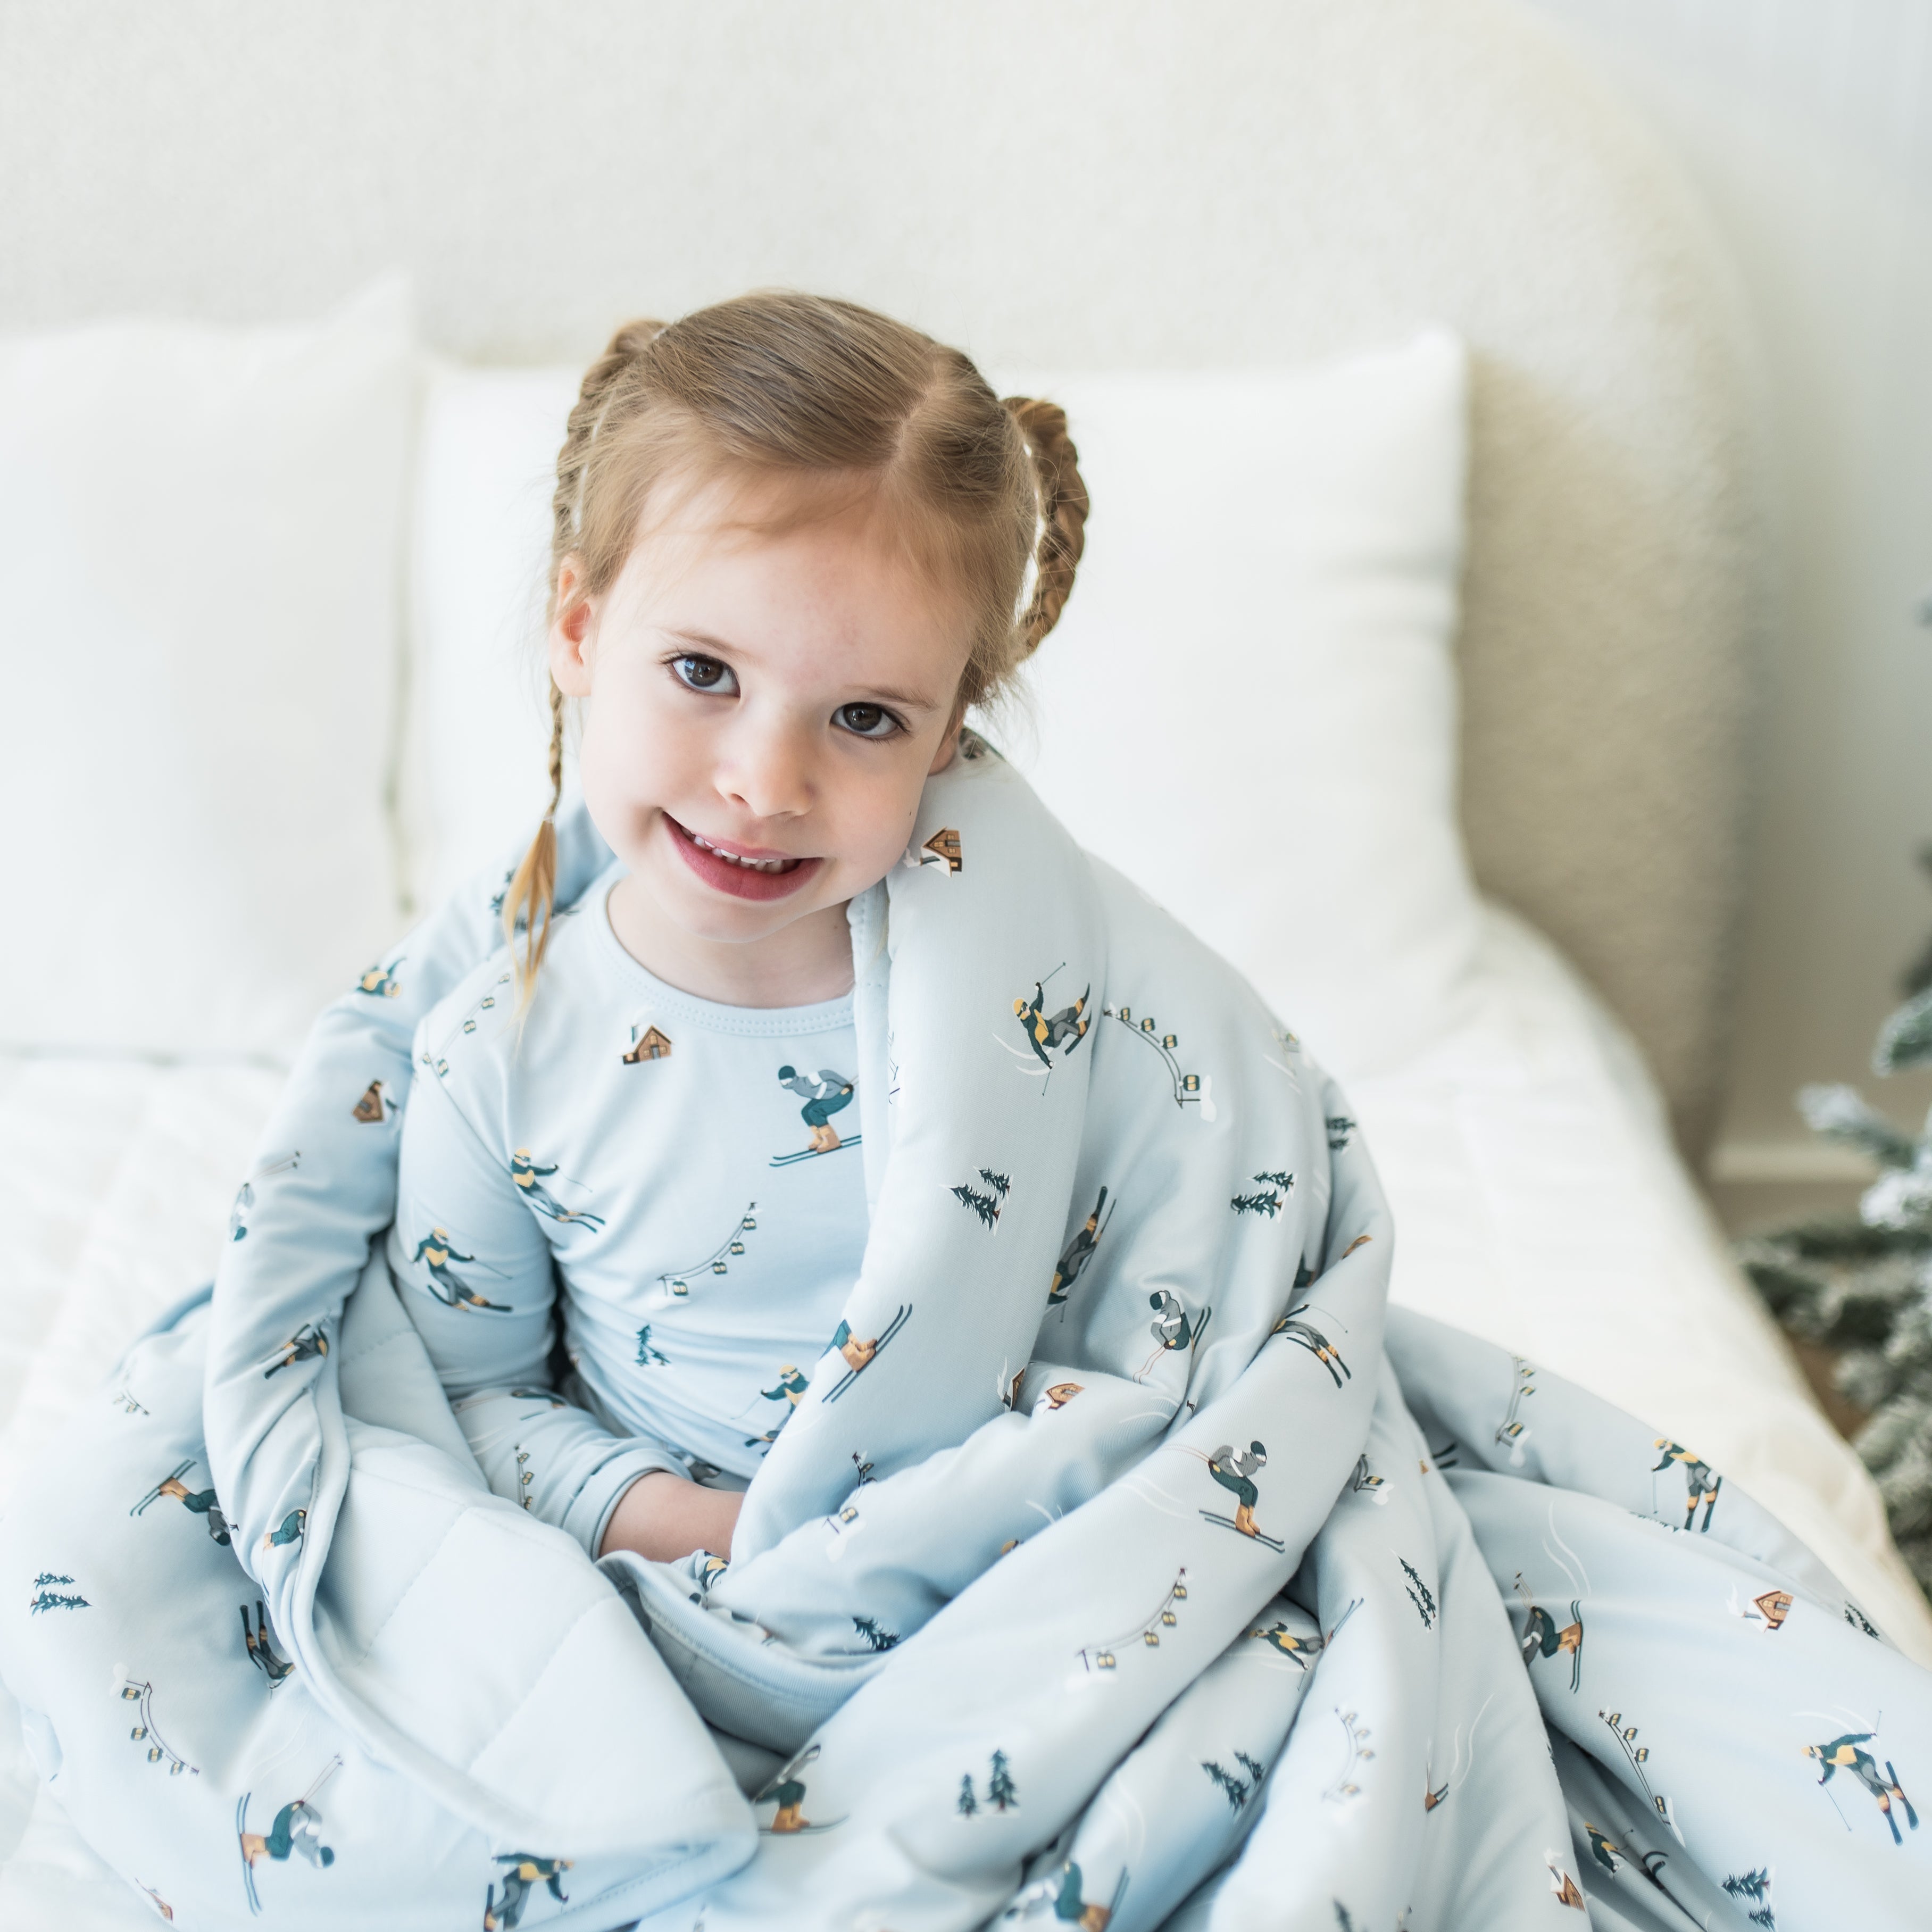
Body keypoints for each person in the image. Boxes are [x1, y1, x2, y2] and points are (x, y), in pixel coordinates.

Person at [371, 291, 1088, 1568]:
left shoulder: (1027, 986)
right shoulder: (496, 1056)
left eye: (865, 717)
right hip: (692, 1567)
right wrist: (740, 1539)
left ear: (948, 728)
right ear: (580, 628)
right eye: (705, 673)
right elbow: (473, 1401)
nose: (765, 784)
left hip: (1007, 1547)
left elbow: (1151, 1278)